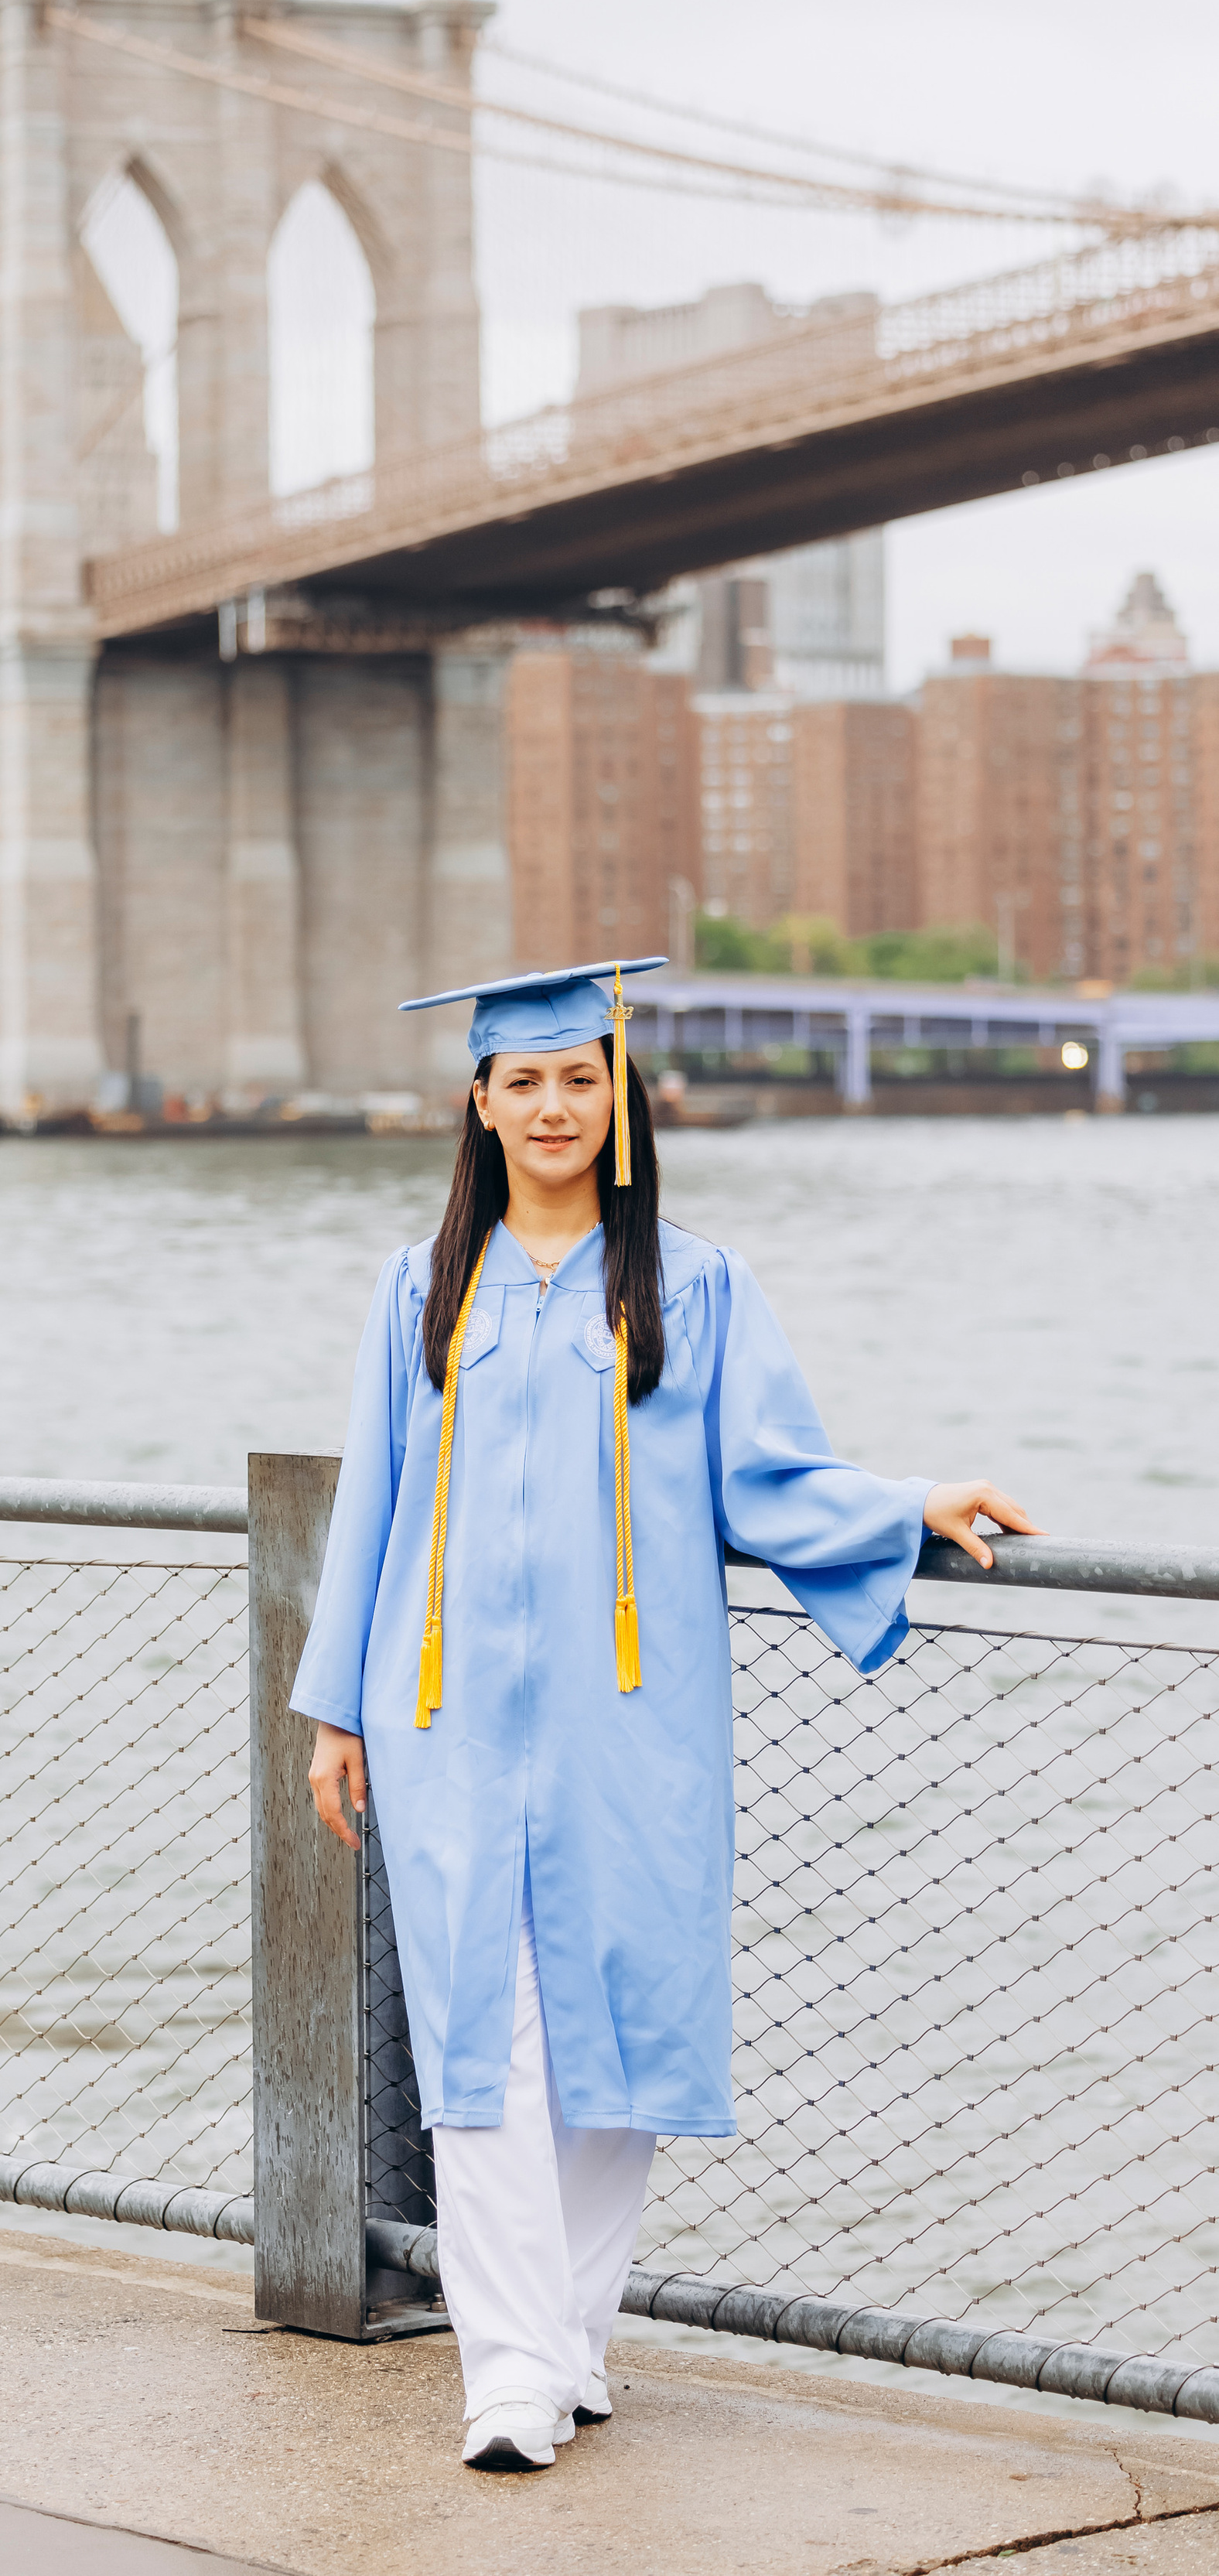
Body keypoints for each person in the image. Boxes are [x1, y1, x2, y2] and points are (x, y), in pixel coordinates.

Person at [289, 958, 1036, 2475]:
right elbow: (367, 1498)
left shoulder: (692, 1285)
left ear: (613, 1099)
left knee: (608, 2034)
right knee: (482, 2042)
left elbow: (767, 1475)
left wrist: (903, 1502)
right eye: (525, 1081)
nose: (553, 1104)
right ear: (479, 1102)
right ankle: (504, 2370)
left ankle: (567, 2333)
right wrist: (330, 1711)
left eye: (580, 1078)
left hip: (628, 1720)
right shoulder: (417, 1285)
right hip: (441, 1717)